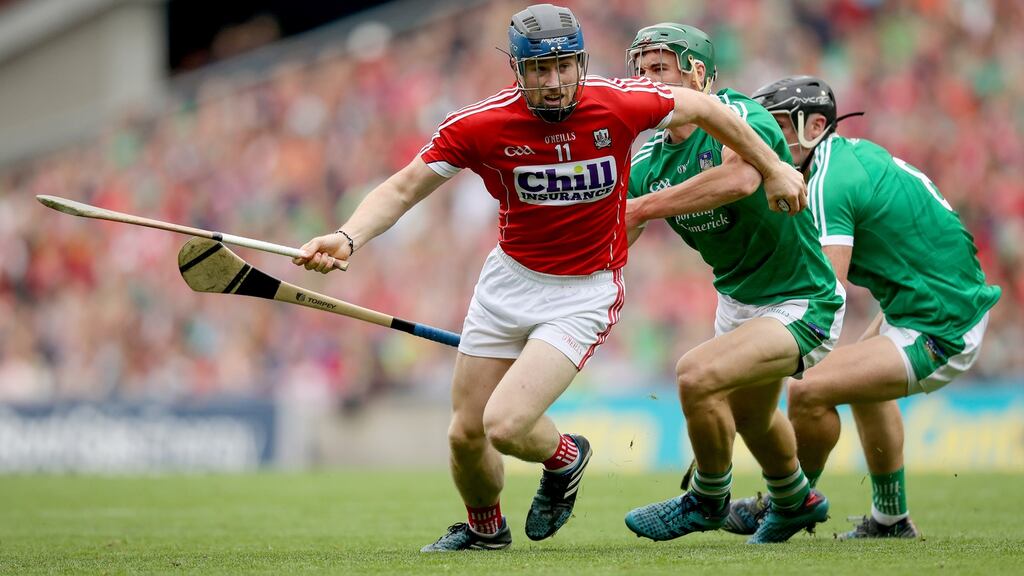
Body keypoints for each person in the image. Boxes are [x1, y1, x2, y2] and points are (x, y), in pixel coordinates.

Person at [292, 5, 806, 552]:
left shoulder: (617, 103)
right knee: (465, 433)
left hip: (583, 292)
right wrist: (347, 238)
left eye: (564, 66)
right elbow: (402, 188)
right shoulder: (481, 125)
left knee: (506, 425)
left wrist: (774, 167)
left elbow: (706, 108)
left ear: (581, 62)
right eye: (539, 69)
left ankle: (566, 457)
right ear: (518, 70)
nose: (555, 82)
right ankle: (485, 530)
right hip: (508, 283)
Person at [722, 75, 1001, 539]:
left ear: (814, 126)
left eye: (776, 128)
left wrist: (751, 367)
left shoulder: (828, 180)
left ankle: (789, 500)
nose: (764, 141)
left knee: (809, 388)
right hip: (920, 303)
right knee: (855, 381)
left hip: (942, 319)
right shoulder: (839, 160)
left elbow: (823, 298)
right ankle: (890, 521)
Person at [620, 24, 844, 545]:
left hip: (802, 299)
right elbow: (615, 238)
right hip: (737, 301)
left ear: (696, 74)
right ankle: (795, 501)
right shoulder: (648, 160)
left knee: (696, 376)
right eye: (641, 72)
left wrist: (644, 207)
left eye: (660, 70)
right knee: (751, 417)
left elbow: (740, 180)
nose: (648, 83)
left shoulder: (739, 115)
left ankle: (707, 498)